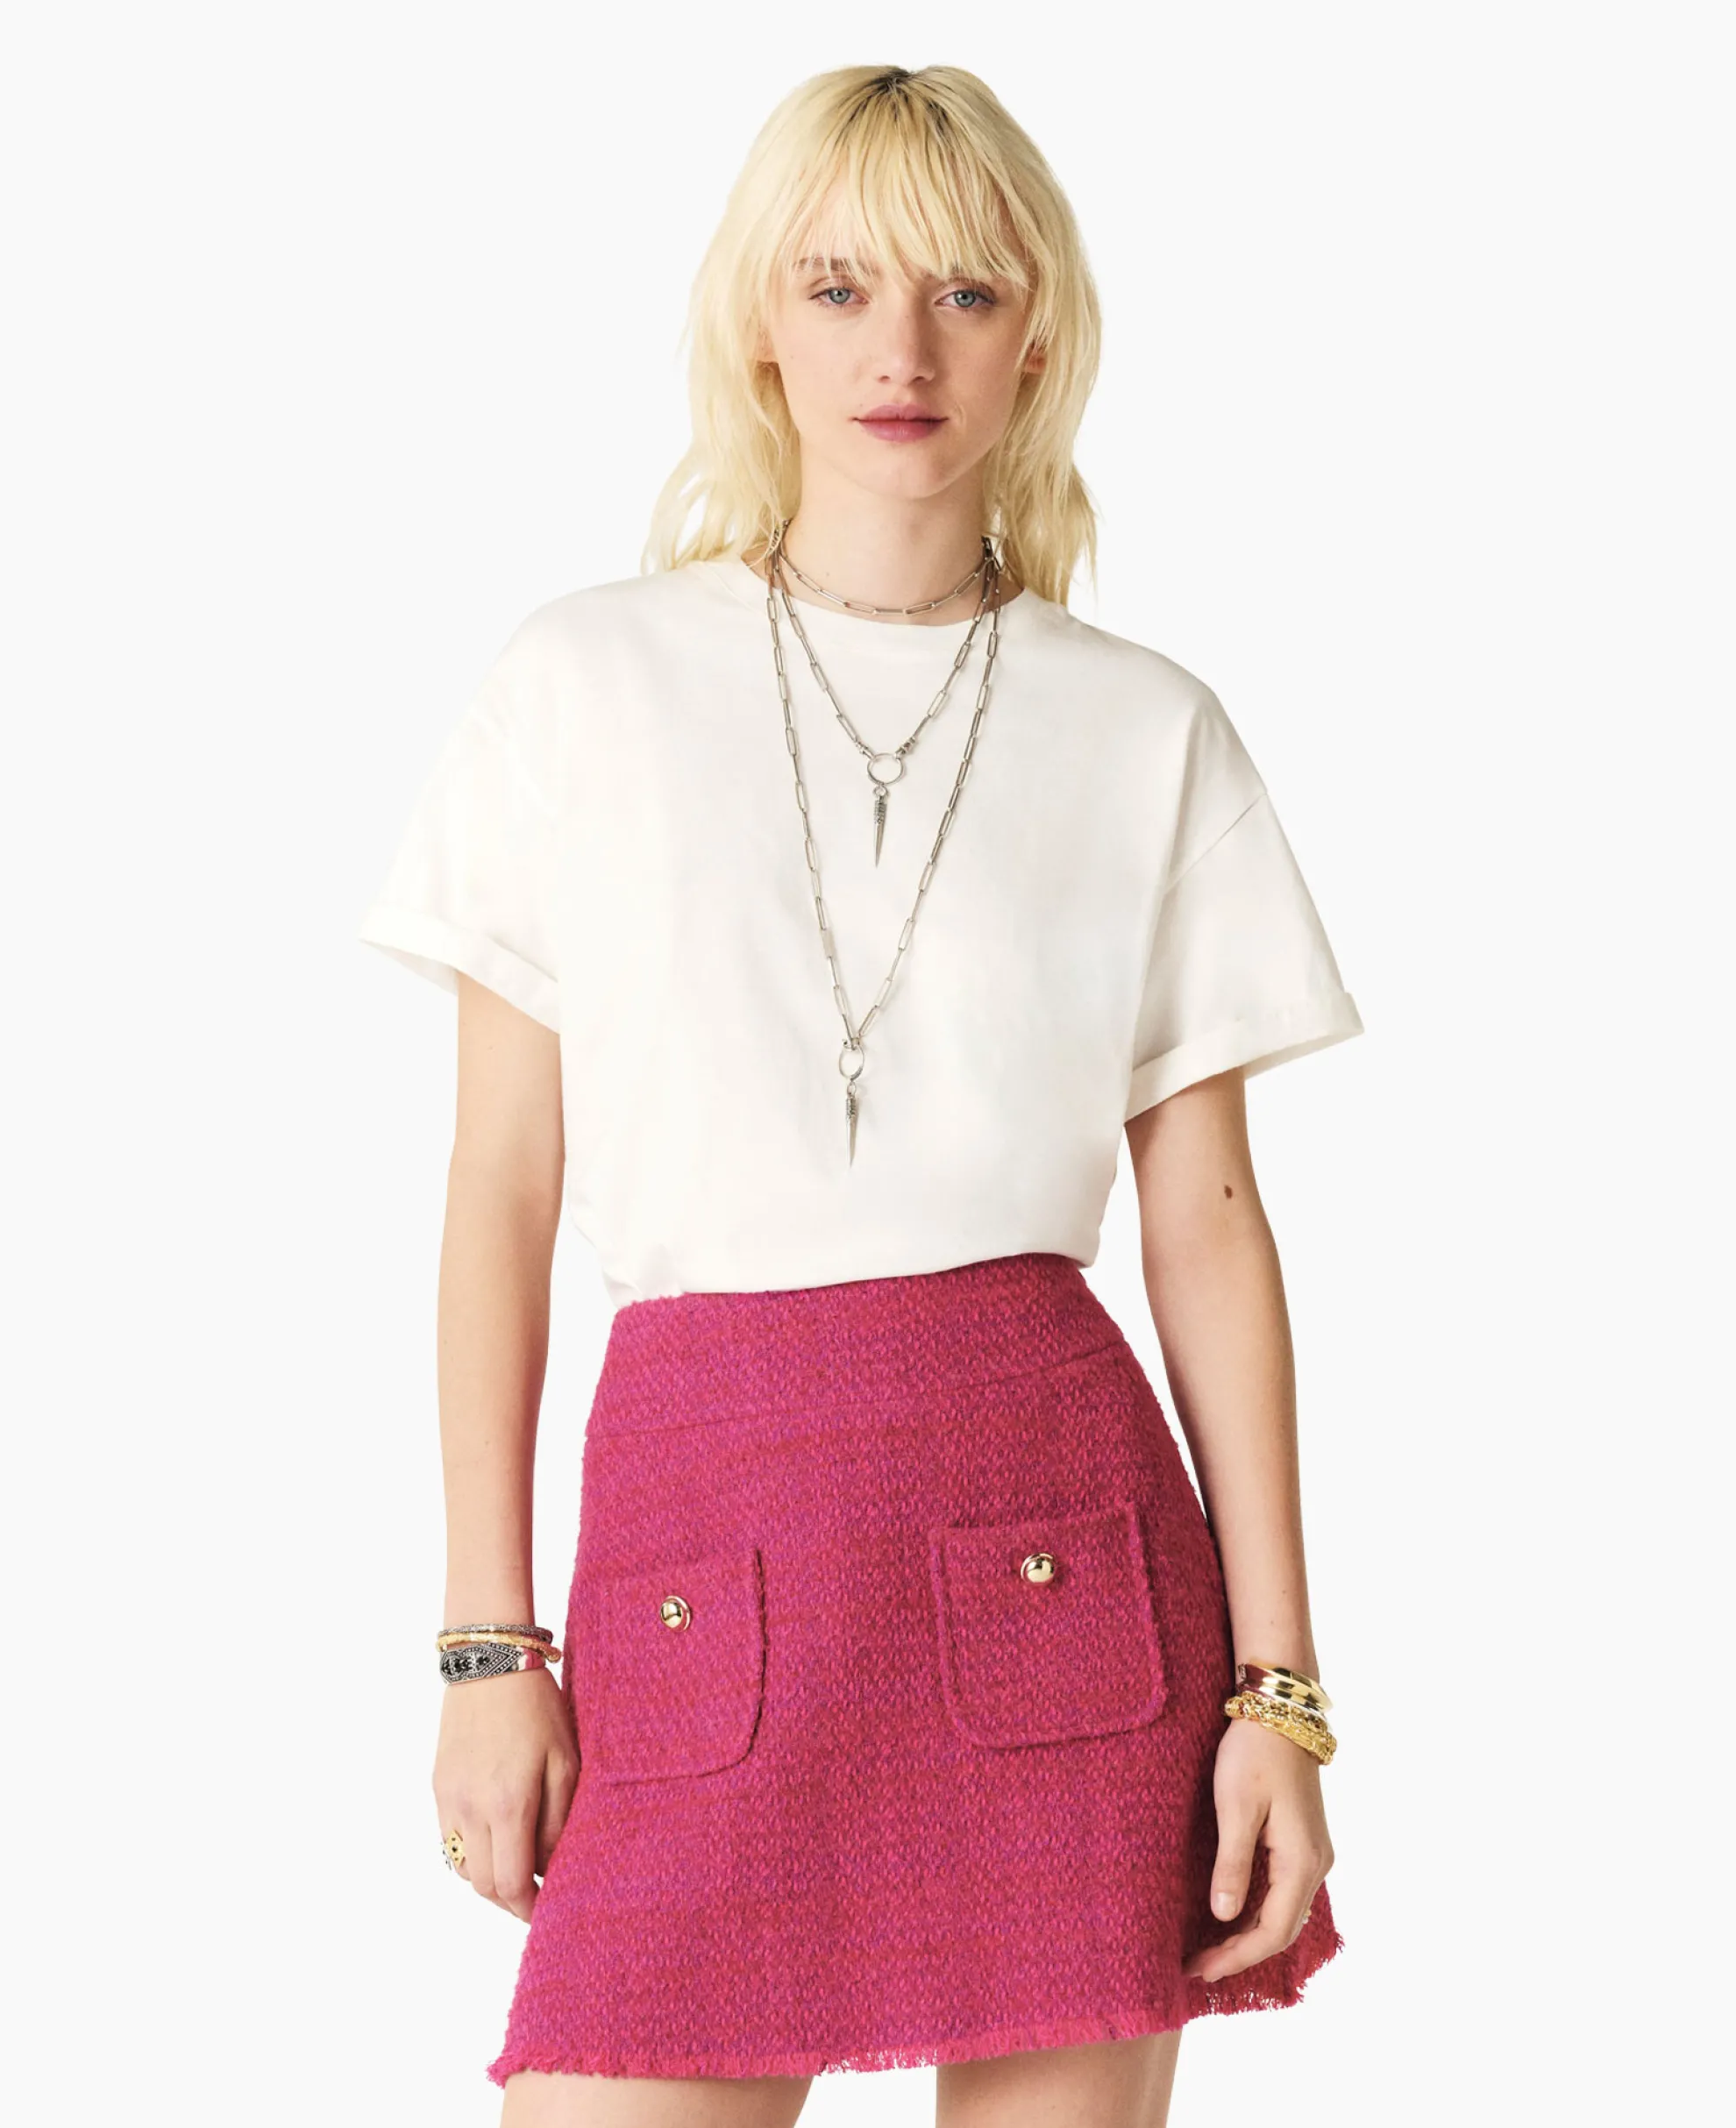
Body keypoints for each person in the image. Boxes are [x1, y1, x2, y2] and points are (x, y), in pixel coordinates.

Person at [359, 61, 1363, 2128]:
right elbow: (499, 1186)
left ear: (1037, 338)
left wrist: (1282, 1689)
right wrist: (484, 1644)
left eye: (963, 293)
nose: (898, 349)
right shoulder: (580, 684)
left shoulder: (1144, 728)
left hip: (1056, 1552)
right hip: (697, 1553)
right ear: (759, 320)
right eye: (837, 287)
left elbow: (1209, 1225)